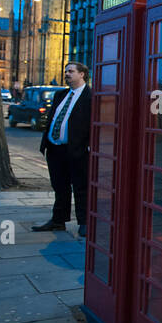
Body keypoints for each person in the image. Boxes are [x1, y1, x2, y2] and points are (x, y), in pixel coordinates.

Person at [31, 62, 92, 237]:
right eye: (65, 71)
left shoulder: (91, 96)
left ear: (82, 74)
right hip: (55, 149)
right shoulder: (61, 94)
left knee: (81, 187)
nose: (66, 74)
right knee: (59, 187)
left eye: (70, 71)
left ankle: (84, 222)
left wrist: (88, 147)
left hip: (77, 150)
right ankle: (58, 221)